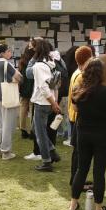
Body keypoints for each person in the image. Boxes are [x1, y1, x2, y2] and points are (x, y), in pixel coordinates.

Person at [69, 59, 106, 210]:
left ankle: (73, 204)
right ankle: (98, 209)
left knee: (81, 169)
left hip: (83, 134)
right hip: (102, 136)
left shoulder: (78, 89)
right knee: (99, 172)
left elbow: (75, 108)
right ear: (101, 74)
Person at [30, 40, 63, 171]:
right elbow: (55, 84)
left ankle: (46, 161)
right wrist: (54, 101)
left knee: (40, 133)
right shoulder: (51, 64)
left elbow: (43, 87)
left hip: (42, 102)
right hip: (48, 102)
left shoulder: (39, 66)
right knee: (37, 129)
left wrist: (53, 103)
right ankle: (52, 151)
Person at [67, 45, 94, 187]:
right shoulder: (80, 76)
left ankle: (77, 179)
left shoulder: (76, 73)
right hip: (77, 116)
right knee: (79, 153)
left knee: (78, 152)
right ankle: (76, 180)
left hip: (74, 115)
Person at [0, 43, 21, 161]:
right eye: (8, 51)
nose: (10, 53)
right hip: (7, 97)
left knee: (2, 124)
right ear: (2, 53)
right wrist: (15, 78)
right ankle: (6, 151)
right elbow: (19, 77)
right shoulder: (5, 64)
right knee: (8, 125)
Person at [17, 46, 36, 140]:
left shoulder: (22, 61)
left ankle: (23, 129)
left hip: (24, 87)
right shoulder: (35, 62)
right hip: (33, 87)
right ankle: (33, 130)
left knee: (23, 108)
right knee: (33, 108)